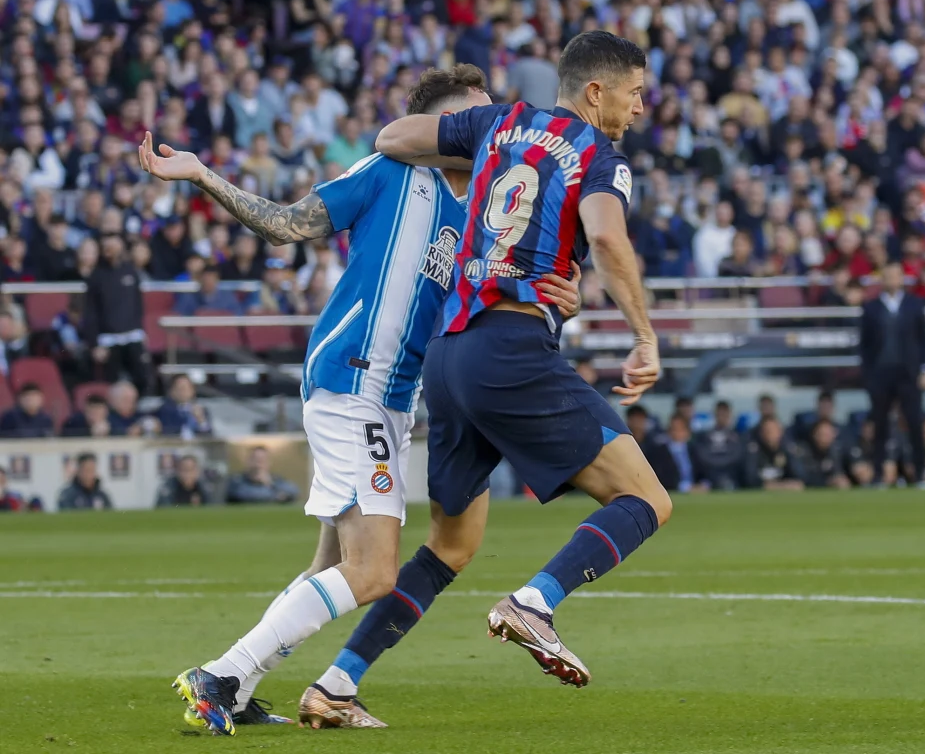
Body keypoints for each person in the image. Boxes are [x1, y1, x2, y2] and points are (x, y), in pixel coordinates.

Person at [142, 65, 581, 734]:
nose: (487, 125)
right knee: (373, 572)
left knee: (329, 567)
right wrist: (203, 175)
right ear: (439, 124)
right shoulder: (388, 172)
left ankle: (233, 686)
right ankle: (219, 676)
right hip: (354, 382)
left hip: (389, 401)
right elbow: (288, 226)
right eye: (472, 113)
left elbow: (488, 309)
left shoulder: (479, 219)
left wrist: (552, 298)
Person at [375, 30, 670, 691]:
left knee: (448, 547)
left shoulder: (498, 124)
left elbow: (392, 139)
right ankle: (534, 601)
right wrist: (644, 335)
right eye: (635, 93)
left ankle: (337, 681)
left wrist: (464, 162)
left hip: (446, 357)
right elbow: (606, 235)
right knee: (647, 497)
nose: (641, 107)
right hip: (509, 348)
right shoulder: (601, 156)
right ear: (596, 92)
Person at [859, 261, 925, 486]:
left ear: (902, 278)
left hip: (908, 374)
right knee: (880, 427)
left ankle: (920, 474)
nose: (892, 280)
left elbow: (924, 341)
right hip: (881, 374)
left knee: (914, 423)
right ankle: (879, 476)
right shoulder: (871, 308)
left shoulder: (915, 305)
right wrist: (868, 375)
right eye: (887, 275)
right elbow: (864, 346)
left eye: (895, 275)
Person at [83, 234, 148, 394]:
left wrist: (141, 331)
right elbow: (90, 312)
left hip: (133, 335)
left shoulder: (131, 272)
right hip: (109, 339)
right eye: (107, 248)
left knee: (143, 377)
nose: (110, 251)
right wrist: (94, 344)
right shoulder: (96, 277)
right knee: (111, 382)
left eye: (113, 247)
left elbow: (138, 305)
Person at [226, 446, 300, 504]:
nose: (258, 464)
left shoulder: (276, 480)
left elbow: (293, 492)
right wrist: (275, 497)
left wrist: (270, 484)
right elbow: (240, 495)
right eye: (255, 459)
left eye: (262, 460)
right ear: (248, 461)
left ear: (269, 462)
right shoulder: (237, 481)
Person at [156, 374, 213, 438]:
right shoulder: (163, 411)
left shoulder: (202, 411)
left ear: (193, 391)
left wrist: (202, 422)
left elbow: (209, 438)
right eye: (180, 388)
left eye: (187, 388)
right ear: (171, 391)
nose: (183, 391)